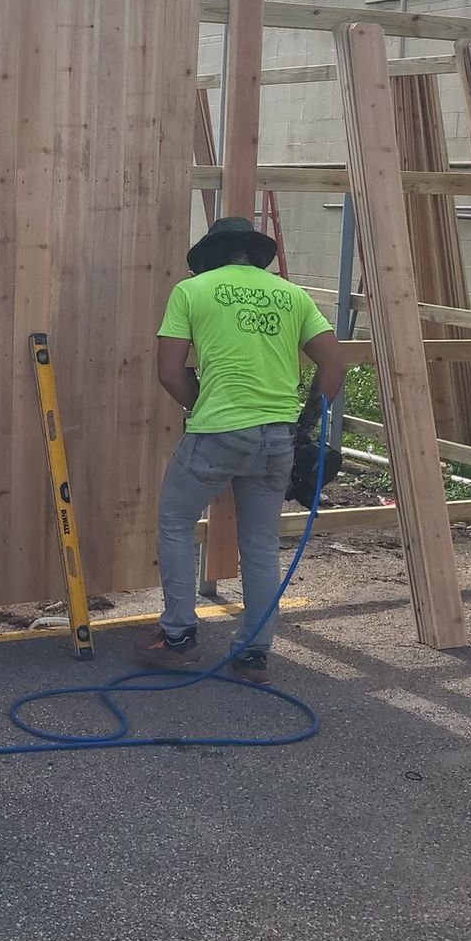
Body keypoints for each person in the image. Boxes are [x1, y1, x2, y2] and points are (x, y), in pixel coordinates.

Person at [144, 216, 348, 676]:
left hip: (218, 432)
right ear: (254, 256)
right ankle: (254, 652)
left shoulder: (192, 292)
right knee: (259, 542)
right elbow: (335, 364)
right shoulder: (293, 295)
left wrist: (205, 406)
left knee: (175, 522)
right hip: (278, 437)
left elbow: (169, 371)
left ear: (210, 257)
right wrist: (304, 423)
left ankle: (177, 637)